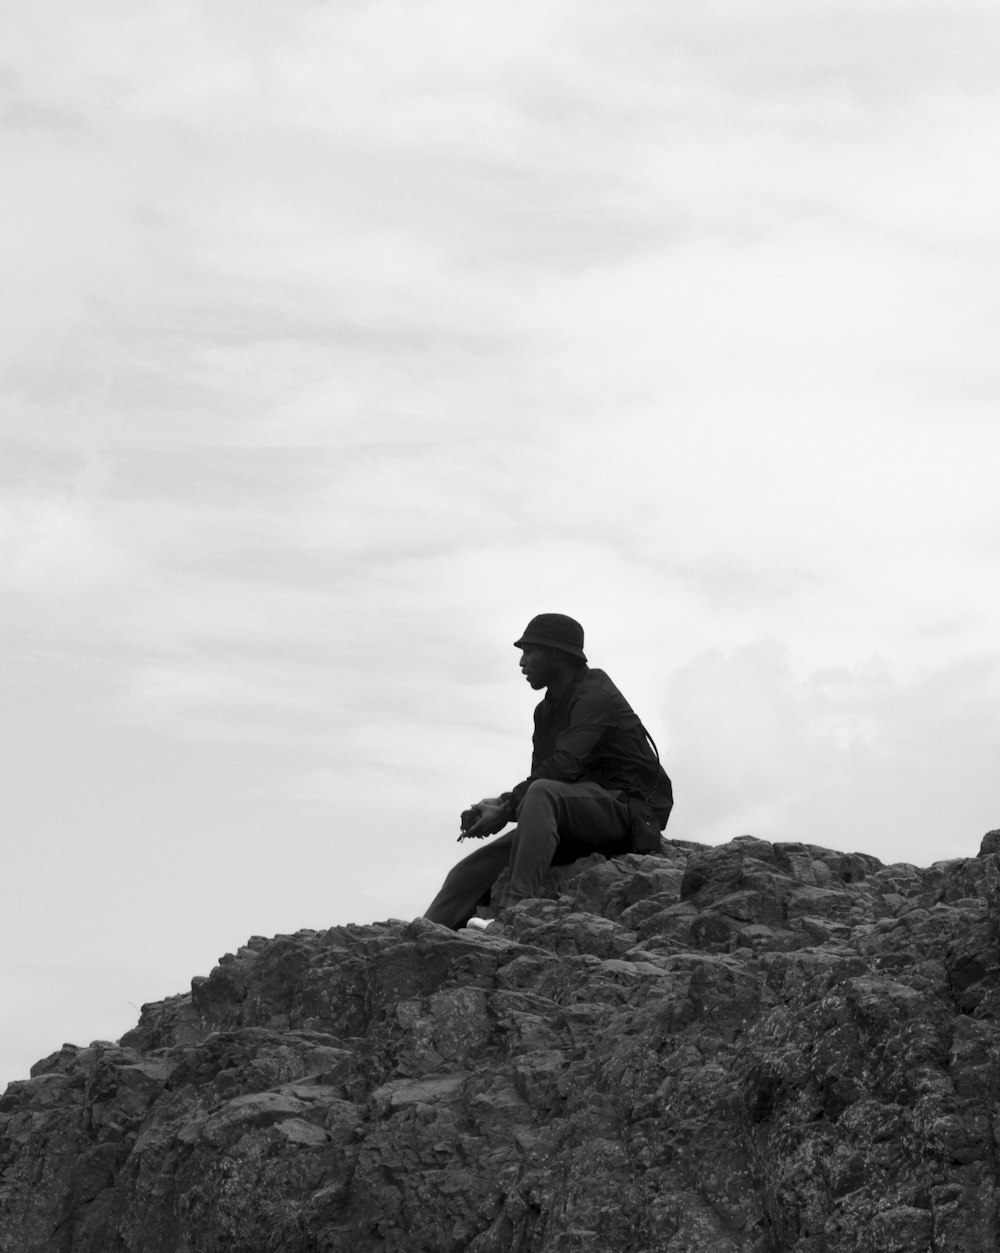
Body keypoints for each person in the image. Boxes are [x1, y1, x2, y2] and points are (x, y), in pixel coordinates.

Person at [423, 613, 673, 930]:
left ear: (557, 654)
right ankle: (422, 936)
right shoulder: (545, 711)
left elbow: (561, 771)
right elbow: (545, 777)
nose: (522, 662)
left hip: (630, 813)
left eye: (529, 652)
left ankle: (513, 919)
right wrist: (501, 805)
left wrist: (506, 808)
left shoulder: (594, 696)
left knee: (542, 793)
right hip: (575, 812)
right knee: (469, 871)